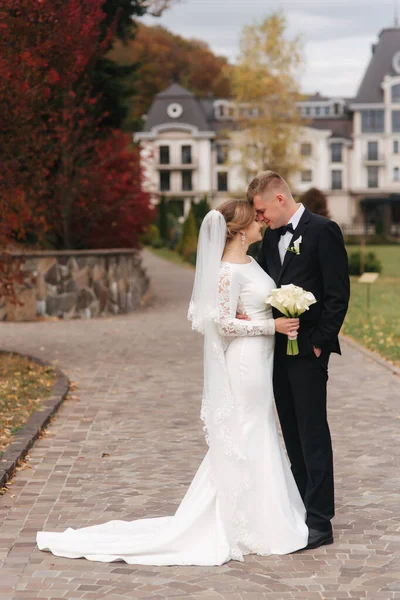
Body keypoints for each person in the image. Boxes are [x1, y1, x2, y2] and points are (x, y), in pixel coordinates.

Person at [36, 199, 308, 566]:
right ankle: (248, 522)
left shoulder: (250, 261)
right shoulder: (227, 269)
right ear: (241, 230)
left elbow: (245, 306)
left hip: (261, 358)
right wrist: (268, 325)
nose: (262, 222)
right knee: (248, 430)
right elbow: (222, 323)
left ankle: (262, 516)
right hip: (246, 362)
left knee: (256, 429)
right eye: (255, 219)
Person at [247, 171, 350, 550]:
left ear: (278, 199)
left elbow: (338, 293)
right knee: (290, 432)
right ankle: (302, 508)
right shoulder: (270, 238)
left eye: (261, 211)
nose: (260, 219)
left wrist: (320, 345)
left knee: (312, 433)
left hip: (309, 352)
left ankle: (321, 521)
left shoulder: (323, 230)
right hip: (276, 353)